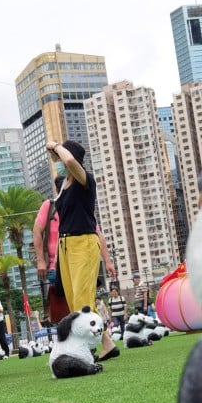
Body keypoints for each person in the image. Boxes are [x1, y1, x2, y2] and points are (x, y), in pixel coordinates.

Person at [46, 139, 119, 361]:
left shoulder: (85, 181)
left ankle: (88, 348)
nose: (59, 163)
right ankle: (106, 343)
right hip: (66, 245)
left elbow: (67, 159)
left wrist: (56, 145)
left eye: (62, 158)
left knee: (82, 300)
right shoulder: (64, 185)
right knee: (75, 302)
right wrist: (54, 152)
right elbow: (61, 160)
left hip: (83, 243)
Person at [33, 175, 116, 325]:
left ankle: (96, 337)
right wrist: (40, 260)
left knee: (82, 300)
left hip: (80, 259)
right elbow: (37, 231)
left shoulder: (78, 207)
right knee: (68, 304)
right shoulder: (50, 206)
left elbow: (96, 233)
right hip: (55, 266)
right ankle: (85, 336)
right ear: (59, 190)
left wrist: (108, 261)